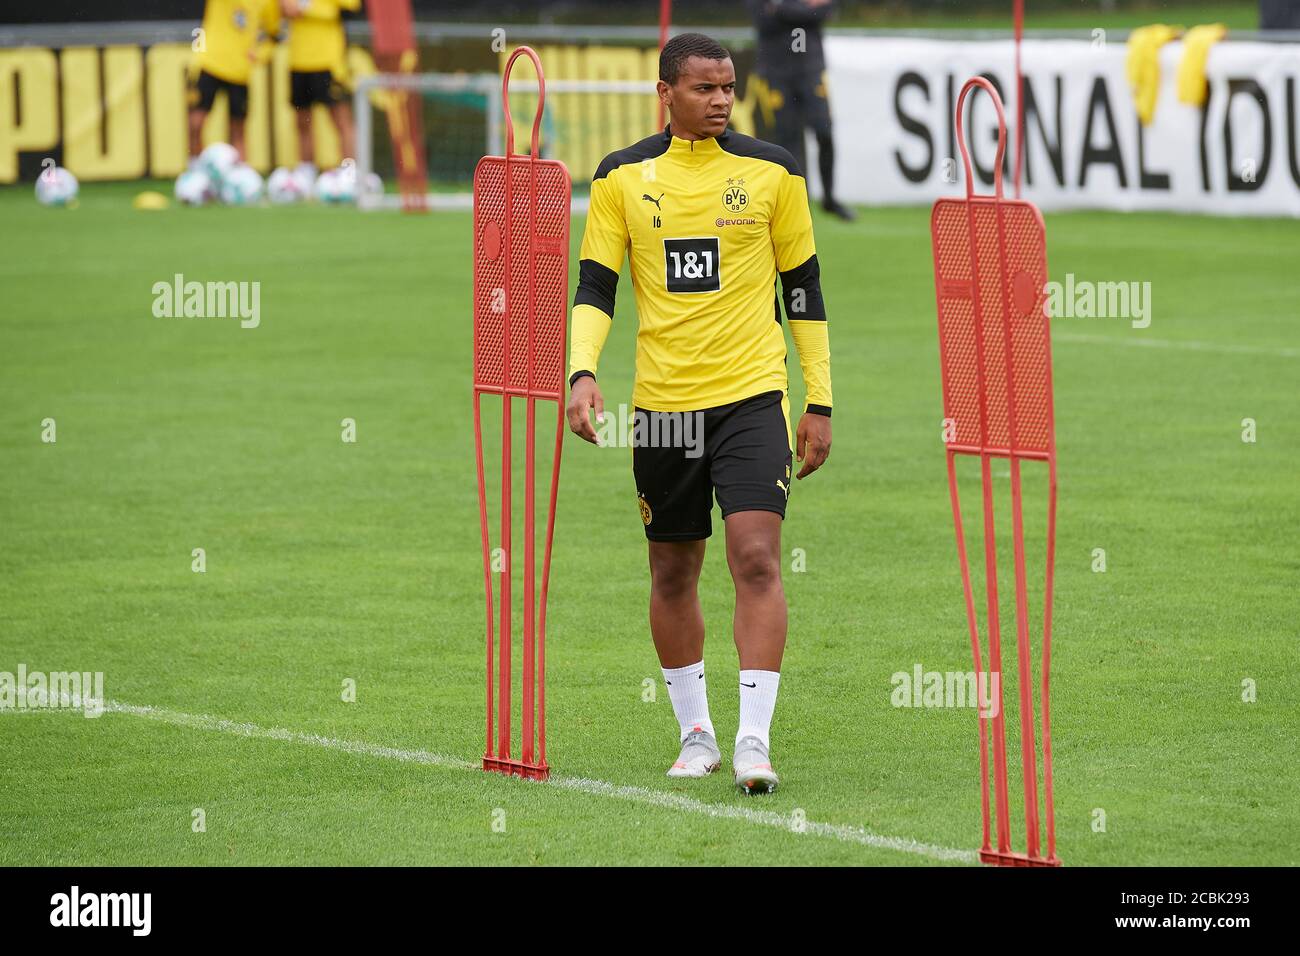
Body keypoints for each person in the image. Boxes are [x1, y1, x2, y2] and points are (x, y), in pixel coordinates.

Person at [565, 33, 833, 795]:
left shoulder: (774, 172)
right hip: (664, 409)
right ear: (666, 92)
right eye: (704, 87)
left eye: (729, 87)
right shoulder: (621, 177)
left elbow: (804, 294)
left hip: (752, 397)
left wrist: (819, 398)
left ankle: (754, 740)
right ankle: (696, 734)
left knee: (755, 556)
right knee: (672, 568)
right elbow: (595, 287)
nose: (721, 99)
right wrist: (582, 371)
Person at [748, 0, 856, 220]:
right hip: (776, 74)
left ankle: (829, 198)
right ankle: (798, 199)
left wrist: (781, 9)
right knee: (788, 139)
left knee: (824, 132)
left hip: (811, 71)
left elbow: (825, 10)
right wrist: (804, 12)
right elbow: (763, 20)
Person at [188, 0, 281, 161]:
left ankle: (239, 174)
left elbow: (273, 34)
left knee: (238, 128)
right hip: (209, 64)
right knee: (196, 123)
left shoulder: (268, 3)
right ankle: (197, 168)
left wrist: (260, 54)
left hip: (240, 72)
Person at [281, 0, 360, 176]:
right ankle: (306, 172)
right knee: (302, 120)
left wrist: (306, 7)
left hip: (329, 61)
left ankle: (350, 173)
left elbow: (350, 8)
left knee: (340, 120)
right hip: (298, 60)